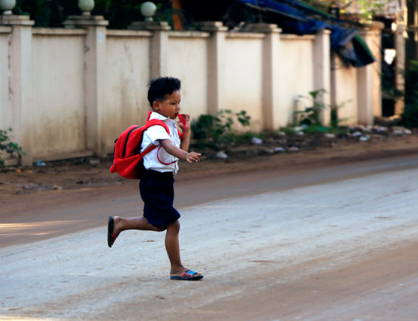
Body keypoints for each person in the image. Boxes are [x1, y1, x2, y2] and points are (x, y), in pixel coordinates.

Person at [107, 76, 203, 281]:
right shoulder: (156, 128)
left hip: (165, 181)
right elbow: (169, 148)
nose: (177, 107)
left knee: (157, 224)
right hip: (154, 181)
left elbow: (179, 150)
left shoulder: (168, 125)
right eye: (172, 103)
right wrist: (185, 155)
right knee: (172, 224)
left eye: (178, 103)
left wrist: (187, 130)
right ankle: (177, 269)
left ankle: (120, 223)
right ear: (157, 105)